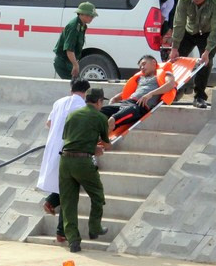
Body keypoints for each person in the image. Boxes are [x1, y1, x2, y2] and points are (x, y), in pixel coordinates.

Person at [37, 78, 91, 243]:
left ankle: (52, 202)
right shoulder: (82, 107)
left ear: (71, 89)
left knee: (66, 186)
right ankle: (61, 230)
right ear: (86, 91)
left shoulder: (59, 102)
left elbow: (49, 123)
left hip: (54, 148)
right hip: (71, 151)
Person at [59, 88, 113, 253]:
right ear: (98, 102)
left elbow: (68, 138)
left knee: (68, 202)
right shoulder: (100, 117)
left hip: (65, 161)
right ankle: (94, 227)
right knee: (97, 195)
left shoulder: (72, 115)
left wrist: (89, 146)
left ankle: (73, 240)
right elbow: (107, 144)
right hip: (83, 162)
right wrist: (96, 146)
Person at [169, 0, 216, 109]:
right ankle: (175, 91)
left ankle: (199, 96)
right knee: (176, 60)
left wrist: (207, 51)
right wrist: (174, 46)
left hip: (207, 33)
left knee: (205, 63)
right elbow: (179, 22)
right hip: (189, 31)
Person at [101, 55, 175, 134]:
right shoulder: (140, 78)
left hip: (138, 106)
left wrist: (151, 94)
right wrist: (114, 99)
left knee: (112, 120)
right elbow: (129, 92)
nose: (142, 68)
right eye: (140, 67)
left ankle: (100, 141)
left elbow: (170, 85)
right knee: (97, 113)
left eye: (144, 64)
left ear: (153, 62)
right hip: (126, 102)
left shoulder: (164, 73)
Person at [53, 2, 98, 80]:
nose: (91, 18)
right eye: (89, 15)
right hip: (64, 62)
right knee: (76, 86)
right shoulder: (74, 27)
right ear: (81, 14)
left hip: (69, 62)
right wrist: (75, 65)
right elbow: (69, 49)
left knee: (78, 86)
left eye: (92, 16)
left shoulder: (82, 26)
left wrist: (75, 63)